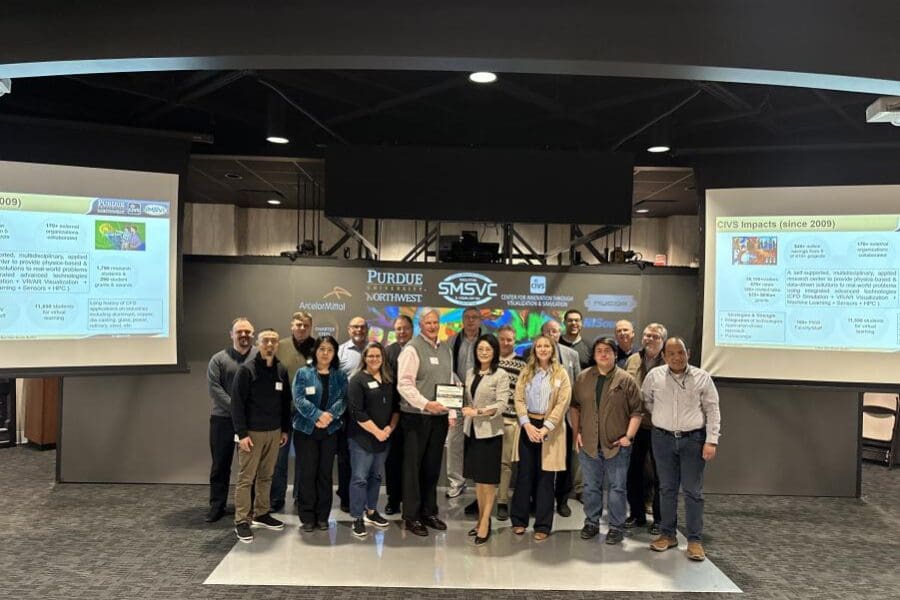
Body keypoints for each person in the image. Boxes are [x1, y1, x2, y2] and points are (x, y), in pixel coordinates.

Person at [642, 337, 721, 561]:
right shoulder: (654, 376)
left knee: (693, 492)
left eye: (681, 352)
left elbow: (712, 410)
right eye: (672, 353)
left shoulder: (702, 378)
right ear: (664, 356)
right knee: (666, 489)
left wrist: (711, 440)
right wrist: (662, 418)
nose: (677, 357)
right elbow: (647, 401)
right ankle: (668, 535)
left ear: (688, 353)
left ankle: (695, 540)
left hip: (693, 440)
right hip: (662, 439)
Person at [570, 337, 643, 545]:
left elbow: (637, 411)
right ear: (594, 355)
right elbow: (575, 407)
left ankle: (616, 526)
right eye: (599, 350)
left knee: (617, 488)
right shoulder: (583, 378)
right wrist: (577, 433)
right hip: (589, 444)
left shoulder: (626, 379)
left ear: (615, 355)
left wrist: (628, 436)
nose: (603, 354)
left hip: (616, 446)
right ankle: (591, 522)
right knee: (591, 487)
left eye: (608, 351)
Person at [396, 308, 454, 536]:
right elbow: (404, 384)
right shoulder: (412, 349)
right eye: (428, 323)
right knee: (412, 469)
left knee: (432, 468)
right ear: (421, 325)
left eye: (435, 322)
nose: (432, 326)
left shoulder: (445, 349)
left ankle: (429, 512)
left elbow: (449, 382)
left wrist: (449, 413)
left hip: (438, 419)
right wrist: (425, 404)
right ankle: (411, 516)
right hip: (416, 418)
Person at [230, 328, 292, 543]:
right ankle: (241, 521)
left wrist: (285, 430)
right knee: (246, 479)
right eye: (266, 340)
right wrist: (242, 434)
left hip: (274, 433)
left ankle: (261, 513)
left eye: (274, 341)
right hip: (252, 434)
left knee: (266, 476)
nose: (270, 344)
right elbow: (236, 404)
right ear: (258, 343)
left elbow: (286, 403)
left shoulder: (280, 370)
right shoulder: (247, 370)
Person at [510, 335, 571, 541]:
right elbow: (518, 398)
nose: (543, 349)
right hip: (528, 426)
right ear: (534, 350)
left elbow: (563, 403)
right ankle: (519, 520)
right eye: (539, 346)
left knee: (546, 478)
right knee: (524, 475)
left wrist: (545, 428)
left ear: (552, 350)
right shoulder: (526, 372)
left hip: (550, 429)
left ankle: (543, 525)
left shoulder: (561, 373)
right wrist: (526, 424)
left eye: (547, 346)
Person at [292, 335, 348, 532]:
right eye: (322, 349)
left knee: (325, 474)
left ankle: (323, 516)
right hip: (306, 430)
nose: (325, 353)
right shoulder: (303, 373)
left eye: (330, 350)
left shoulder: (340, 376)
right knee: (307, 473)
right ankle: (307, 516)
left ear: (334, 354)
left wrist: (329, 416)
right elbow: (298, 399)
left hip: (330, 430)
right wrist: (317, 415)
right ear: (315, 351)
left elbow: (343, 400)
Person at [205, 317, 256, 523]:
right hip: (222, 420)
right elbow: (214, 389)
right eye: (239, 332)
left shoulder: (260, 357)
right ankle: (217, 506)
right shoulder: (218, 359)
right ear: (231, 335)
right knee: (220, 464)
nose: (243, 335)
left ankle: (249, 509)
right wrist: (237, 410)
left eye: (247, 332)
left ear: (253, 334)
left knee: (250, 467)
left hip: (252, 423)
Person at [461, 334, 509, 545]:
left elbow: (501, 405)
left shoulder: (501, 374)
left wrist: (477, 411)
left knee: (488, 482)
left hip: (490, 433)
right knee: (478, 482)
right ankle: (481, 519)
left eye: (488, 349)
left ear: (494, 351)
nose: (483, 352)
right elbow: (464, 399)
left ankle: (485, 524)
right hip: (471, 432)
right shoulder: (470, 372)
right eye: (480, 349)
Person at [347, 342, 399, 538]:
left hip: (384, 438)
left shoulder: (388, 380)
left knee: (376, 477)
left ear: (383, 358)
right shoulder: (357, 380)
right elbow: (356, 412)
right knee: (359, 478)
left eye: (378, 356)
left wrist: (389, 429)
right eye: (370, 356)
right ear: (364, 358)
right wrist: (377, 431)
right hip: (361, 439)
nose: (374, 359)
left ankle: (371, 511)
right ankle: (357, 517)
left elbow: (396, 409)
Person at [624, 322, 667, 534]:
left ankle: (659, 519)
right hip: (635, 425)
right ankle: (636, 514)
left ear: (663, 340)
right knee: (633, 472)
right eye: (647, 335)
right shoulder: (633, 359)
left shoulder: (669, 361)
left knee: (661, 475)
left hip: (660, 426)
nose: (649, 339)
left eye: (655, 336)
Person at [271, 311, 315, 513]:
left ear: (311, 326)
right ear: (291, 326)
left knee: (304, 458)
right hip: (283, 412)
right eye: (298, 324)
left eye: (306, 325)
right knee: (279, 459)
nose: (302, 328)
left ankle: (300, 495)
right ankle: (277, 497)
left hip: (307, 412)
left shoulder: (318, 347)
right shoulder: (279, 346)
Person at [540, 319, 582, 518]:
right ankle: (541, 498)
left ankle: (562, 500)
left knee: (565, 461)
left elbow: (578, 387)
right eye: (548, 331)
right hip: (540, 419)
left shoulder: (572, 355)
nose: (552, 335)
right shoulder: (533, 355)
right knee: (543, 462)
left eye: (556, 331)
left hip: (566, 419)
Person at [488, 325, 525, 521]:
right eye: (502, 339)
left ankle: (502, 501)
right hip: (488, 420)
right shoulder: (488, 363)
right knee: (486, 463)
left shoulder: (523, 365)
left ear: (515, 341)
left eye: (509, 340)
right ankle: (484, 501)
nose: (505, 343)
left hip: (510, 420)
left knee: (505, 464)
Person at [446, 306, 483, 499]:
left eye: (474, 317)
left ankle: (481, 485)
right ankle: (456, 482)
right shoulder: (453, 340)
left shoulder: (486, 341)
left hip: (481, 398)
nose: (470, 321)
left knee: (481, 442)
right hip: (457, 397)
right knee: (454, 441)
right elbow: (446, 366)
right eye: (467, 317)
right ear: (462, 320)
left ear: (480, 320)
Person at [336, 316, 369, 512]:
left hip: (369, 413)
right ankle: (346, 497)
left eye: (362, 327)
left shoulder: (375, 349)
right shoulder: (340, 352)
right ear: (349, 329)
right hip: (346, 413)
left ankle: (362, 495)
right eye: (355, 327)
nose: (359, 330)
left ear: (367, 329)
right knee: (345, 457)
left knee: (365, 456)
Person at [383, 314, 413, 515]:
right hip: (392, 415)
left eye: (405, 328)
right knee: (393, 460)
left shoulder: (420, 349)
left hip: (415, 414)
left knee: (412, 460)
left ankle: (411, 500)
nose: (401, 332)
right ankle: (393, 500)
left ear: (412, 330)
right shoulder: (387, 352)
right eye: (398, 329)